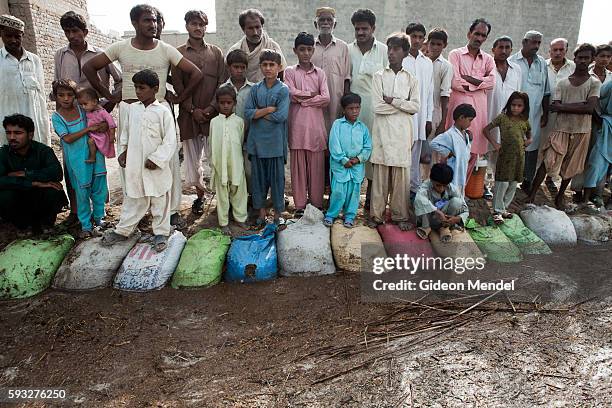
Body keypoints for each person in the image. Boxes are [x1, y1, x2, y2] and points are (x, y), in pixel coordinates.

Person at [82, 4, 203, 227]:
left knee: (165, 161)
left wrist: (178, 97)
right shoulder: (120, 47)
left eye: (155, 20)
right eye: (147, 20)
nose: (152, 25)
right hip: (130, 111)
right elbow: (90, 67)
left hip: (159, 111)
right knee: (131, 161)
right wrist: (108, 95)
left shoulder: (165, 49)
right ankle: (136, 213)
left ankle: (172, 209)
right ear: (135, 23)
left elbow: (195, 73)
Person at [102, 70, 177, 252]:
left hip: (155, 166)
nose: (138, 92)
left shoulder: (163, 112)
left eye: (142, 88)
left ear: (155, 89)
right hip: (136, 163)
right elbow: (125, 132)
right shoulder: (132, 109)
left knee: (159, 199)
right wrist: (124, 151)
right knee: (134, 198)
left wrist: (157, 159)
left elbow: (170, 140)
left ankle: (161, 232)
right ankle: (124, 230)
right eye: (136, 87)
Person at [527, 44, 601, 210]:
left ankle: (560, 197)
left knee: (571, 166)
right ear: (575, 59)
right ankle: (531, 195)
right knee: (548, 161)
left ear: (592, 60)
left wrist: (565, 107)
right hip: (561, 128)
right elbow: (555, 106)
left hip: (581, 130)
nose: (583, 61)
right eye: (580, 58)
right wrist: (580, 106)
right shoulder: (563, 83)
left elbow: (590, 109)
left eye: (586, 58)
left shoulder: (594, 83)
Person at [172, 10, 226, 215]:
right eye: (194, 24)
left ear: (206, 26)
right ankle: (200, 197)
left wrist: (212, 108)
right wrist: (193, 110)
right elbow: (178, 86)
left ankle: (221, 198)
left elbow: (222, 83)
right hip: (189, 117)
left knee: (217, 159)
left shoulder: (216, 52)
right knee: (193, 162)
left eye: (202, 24)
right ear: (186, 26)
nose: (198, 28)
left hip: (214, 115)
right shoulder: (178, 53)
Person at [368, 33, 419, 231]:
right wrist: (401, 106)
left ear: (405, 52)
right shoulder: (379, 76)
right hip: (382, 133)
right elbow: (376, 106)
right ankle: (376, 215)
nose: (391, 53)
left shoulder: (411, 79)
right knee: (380, 176)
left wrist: (394, 101)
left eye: (396, 49)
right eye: (389, 48)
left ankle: (400, 215)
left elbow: (415, 106)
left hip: (402, 134)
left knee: (401, 178)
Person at [51, 79, 109, 238]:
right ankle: (85, 224)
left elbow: (101, 121)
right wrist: (88, 129)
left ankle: (99, 218)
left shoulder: (83, 108)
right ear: (55, 96)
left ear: (75, 96)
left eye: (70, 95)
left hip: (95, 155)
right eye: (61, 95)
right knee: (82, 192)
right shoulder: (57, 117)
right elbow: (67, 139)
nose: (66, 98)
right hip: (77, 161)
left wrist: (103, 126)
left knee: (99, 188)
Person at [285, 32, 330, 216]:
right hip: (296, 129)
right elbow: (290, 93)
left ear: (314, 50)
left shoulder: (320, 73)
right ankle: (300, 206)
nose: (305, 53)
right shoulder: (289, 71)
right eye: (302, 49)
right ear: (295, 50)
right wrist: (311, 95)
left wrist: (303, 100)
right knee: (298, 170)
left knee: (317, 170)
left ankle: (317, 204)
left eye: (309, 49)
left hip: (316, 130)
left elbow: (326, 98)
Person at [445, 18, 495, 183]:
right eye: (476, 34)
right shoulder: (456, 54)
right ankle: (447, 190)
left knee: (472, 153)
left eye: (483, 35)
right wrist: (479, 83)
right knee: (454, 151)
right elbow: (455, 82)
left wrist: (470, 79)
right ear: (469, 34)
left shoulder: (488, 59)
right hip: (459, 108)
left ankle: (461, 192)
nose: (479, 38)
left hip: (478, 112)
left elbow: (492, 82)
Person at [348, 9, 388, 210]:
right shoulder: (348, 50)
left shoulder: (384, 50)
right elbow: (346, 82)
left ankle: (371, 200)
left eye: (365, 28)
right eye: (357, 29)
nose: (361, 32)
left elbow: (389, 81)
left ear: (373, 28)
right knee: (353, 153)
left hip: (375, 112)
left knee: (373, 153)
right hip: (353, 112)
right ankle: (351, 200)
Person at [245, 50, 290, 228]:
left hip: (276, 144)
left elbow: (282, 116)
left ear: (279, 67)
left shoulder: (283, 90)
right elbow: (248, 113)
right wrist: (268, 110)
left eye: (272, 65)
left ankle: (278, 216)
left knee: (277, 181)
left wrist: (258, 113)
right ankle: (262, 215)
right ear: (260, 66)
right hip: (257, 144)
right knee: (258, 181)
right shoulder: (255, 89)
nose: (269, 68)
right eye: (265, 64)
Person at [0, 114, 67, 232]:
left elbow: (56, 173)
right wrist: (34, 183)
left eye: (17, 133)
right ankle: (20, 227)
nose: (12, 137)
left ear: (30, 135)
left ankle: (46, 225)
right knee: (5, 195)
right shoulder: (3, 153)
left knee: (54, 190)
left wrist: (25, 174)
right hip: (18, 201)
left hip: (39, 200)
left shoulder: (43, 151)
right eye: (8, 133)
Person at [53, 11, 122, 112]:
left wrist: (111, 101)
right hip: (72, 113)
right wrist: (60, 115)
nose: (71, 35)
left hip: (97, 111)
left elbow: (121, 79)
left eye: (75, 31)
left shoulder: (100, 54)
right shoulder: (60, 55)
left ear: (85, 32)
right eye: (67, 31)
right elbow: (57, 86)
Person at [509, 31, 550, 193]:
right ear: (524, 42)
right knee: (513, 148)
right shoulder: (512, 61)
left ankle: (527, 180)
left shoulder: (542, 63)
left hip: (534, 116)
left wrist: (545, 114)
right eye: (533, 43)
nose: (537, 46)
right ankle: (510, 181)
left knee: (531, 149)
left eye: (539, 43)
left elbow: (546, 92)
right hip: (515, 116)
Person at [0, 15, 50, 146]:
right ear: (1, 34)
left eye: (17, 36)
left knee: (35, 150)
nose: (13, 40)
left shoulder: (34, 60)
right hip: (6, 115)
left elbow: (40, 94)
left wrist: (43, 122)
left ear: (22, 35)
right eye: (8, 36)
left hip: (32, 116)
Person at [483, 92, 532, 223]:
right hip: (505, 156)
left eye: (519, 106)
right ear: (509, 105)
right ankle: (497, 210)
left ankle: (504, 208)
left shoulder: (524, 121)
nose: (515, 108)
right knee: (502, 183)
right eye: (513, 105)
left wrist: (529, 141)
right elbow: (486, 130)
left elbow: (529, 135)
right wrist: (495, 144)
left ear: (524, 107)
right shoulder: (502, 118)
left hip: (519, 157)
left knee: (513, 183)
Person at [324, 93, 372, 228]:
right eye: (351, 108)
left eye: (357, 108)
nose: (355, 111)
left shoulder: (362, 128)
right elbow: (334, 144)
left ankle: (350, 216)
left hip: (356, 167)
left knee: (354, 193)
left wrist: (358, 159)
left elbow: (368, 147)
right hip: (341, 166)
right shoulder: (338, 125)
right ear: (344, 109)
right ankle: (331, 214)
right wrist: (343, 159)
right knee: (338, 191)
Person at [208, 85, 248, 234]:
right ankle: (223, 222)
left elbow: (241, 139)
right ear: (218, 103)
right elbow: (211, 143)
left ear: (234, 103)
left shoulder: (239, 122)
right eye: (222, 103)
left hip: (236, 163)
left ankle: (240, 219)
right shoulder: (214, 122)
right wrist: (213, 163)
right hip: (220, 165)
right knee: (222, 194)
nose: (225, 106)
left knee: (239, 192)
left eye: (229, 103)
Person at [402, 23, 433, 195]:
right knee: (403, 154)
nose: (417, 40)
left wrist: (428, 119)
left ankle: (413, 191)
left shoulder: (426, 62)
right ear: (406, 36)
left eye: (421, 37)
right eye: (414, 36)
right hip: (403, 116)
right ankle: (400, 191)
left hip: (420, 117)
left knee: (415, 155)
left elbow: (428, 92)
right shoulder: (400, 59)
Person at [311, 6, 351, 134]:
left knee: (335, 132)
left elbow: (347, 77)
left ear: (335, 24)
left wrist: (345, 100)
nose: (326, 23)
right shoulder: (309, 46)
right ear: (315, 23)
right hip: (314, 98)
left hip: (336, 100)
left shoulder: (343, 47)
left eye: (329, 20)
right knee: (316, 130)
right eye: (322, 20)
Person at [542, 38, 575, 192]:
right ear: (549, 51)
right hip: (544, 114)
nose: (557, 53)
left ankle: (550, 178)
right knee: (542, 144)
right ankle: (534, 178)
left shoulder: (573, 68)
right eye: (554, 50)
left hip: (564, 116)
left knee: (559, 148)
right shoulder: (543, 65)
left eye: (561, 50)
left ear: (566, 51)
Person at [486, 36, 522, 174]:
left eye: (507, 48)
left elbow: (518, 95)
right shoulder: (486, 67)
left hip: (507, 120)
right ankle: (480, 185)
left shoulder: (516, 69)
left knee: (502, 152)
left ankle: (495, 183)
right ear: (493, 49)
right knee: (484, 151)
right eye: (500, 47)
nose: (504, 50)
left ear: (511, 50)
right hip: (488, 116)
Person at [222, 49, 255, 192]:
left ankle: (251, 199)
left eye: (243, 67)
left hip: (249, 137)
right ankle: (232, 201)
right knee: (231, 170)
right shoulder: (223, 88)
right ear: (229, 67)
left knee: (249, 171)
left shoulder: (253, 89)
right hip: (230, 138)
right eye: (236, 67)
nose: (239, 71)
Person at [228, 9, 287, 83]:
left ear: (262, 26)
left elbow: (281, 74)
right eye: (250, 28)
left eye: (257, 27)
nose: (255, 32)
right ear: (243, 29)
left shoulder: (273, 46)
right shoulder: (236, 49)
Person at [414, 163, 469, 242]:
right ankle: (426, 228)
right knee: (421, 202)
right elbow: (419, 199)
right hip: (427, 219)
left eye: (444, 185)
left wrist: (457, 219)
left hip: (444, 220)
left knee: (457, 202)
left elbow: (465, 210)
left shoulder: (452, 189)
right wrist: (436, 211)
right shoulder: (425, 186)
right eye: (438, 185)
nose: (441, 189)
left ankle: (444, 228)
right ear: (432, 180)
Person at [431, 104, 476, 196]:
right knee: (452, 190)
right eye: (469, 120)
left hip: (462, 168)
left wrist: (470, 140)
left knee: (461, 189)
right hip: (454, 168)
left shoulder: (466, 135)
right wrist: (448, 153)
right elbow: (434, 143)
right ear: (461, 117)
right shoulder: (450, 134)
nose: (470, 124)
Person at [582, 80, 612, 206]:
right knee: (595, 164)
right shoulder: (609, 85)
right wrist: (600, 119)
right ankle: (586, 198)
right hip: (605, 128)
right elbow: (596, 102)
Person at [76, 88, 117, 163]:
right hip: (92, 133)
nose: (83, 107)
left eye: (85, 104)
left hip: (100, 135)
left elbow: (111, 124)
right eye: (81, 105)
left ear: (95, 102)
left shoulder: (102, 112)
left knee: (91, 141)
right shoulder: (88, 111)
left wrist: (112, 135)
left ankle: (92, 157)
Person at [427, 28, 453, 137]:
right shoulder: (422, 61)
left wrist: (442, 123)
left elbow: (445, 95)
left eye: (439, 44)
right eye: (432, 43)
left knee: (430, 148)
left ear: (444, 45)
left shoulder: (445, 66)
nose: (435, 47)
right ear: (427, 43)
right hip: (418, 110)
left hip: (435, 113)